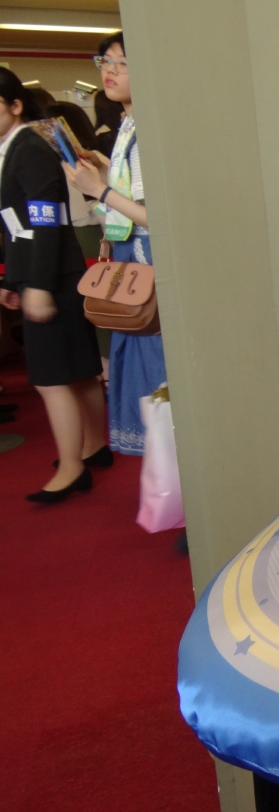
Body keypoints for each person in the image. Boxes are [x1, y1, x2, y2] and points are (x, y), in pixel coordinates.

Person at [0, 69, 108, 502]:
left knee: (50, 378)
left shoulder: (28, 147)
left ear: (15, 105)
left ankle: (71, 467)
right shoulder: (16, 147)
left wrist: (38, 285)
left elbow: (46, 221)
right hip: (43, 270)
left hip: (51, 274)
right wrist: (14, 278)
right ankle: (94, 446)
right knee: (77, 370)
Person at [65, 32, 166, 455]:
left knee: (157, 371)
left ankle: (176, 473)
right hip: (133, 260)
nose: (110, 71)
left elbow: (157, 218)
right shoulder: (130, 123)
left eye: (121, 62)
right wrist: (104, 172)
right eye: (104, 62)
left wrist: (100, 191)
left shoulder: (146, 130)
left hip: (145, 263)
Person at [49, 101, 110, 378]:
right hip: (93, 233)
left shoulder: (83, 161)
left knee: (96, 304)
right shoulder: (94, 157)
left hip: (88, 235)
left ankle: (105, 368)